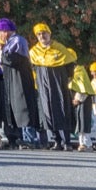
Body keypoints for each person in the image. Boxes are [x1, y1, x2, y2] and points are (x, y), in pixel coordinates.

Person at [30, 22, 77, 150]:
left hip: (59, 86)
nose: (42, 36)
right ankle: (57, 141)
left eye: (44, 33)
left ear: (49, 34)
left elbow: (69, 68)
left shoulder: (59, 48)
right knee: (48, 113)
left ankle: (67, 141)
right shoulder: (34, 52)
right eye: (39, 34)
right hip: (44, 87)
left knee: (62, 110)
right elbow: (33, 69)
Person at [0, 19, 39, 148]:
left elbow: (13, 60)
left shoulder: (18, 41)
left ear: (6, 31)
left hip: (20, 79)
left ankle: (30, 138)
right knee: (16, 108)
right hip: (11, 79)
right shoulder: (9, 42)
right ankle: (20, 137)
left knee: (24, 106)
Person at [67, 62, 96, 150]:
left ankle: (86, 143)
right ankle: (83, 142)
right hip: (78, 102)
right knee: (79, 122)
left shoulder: (79, 72)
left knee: (83, 121)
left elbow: (83, 89)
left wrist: (77, 99)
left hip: (83, 100)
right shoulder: (75, 73)